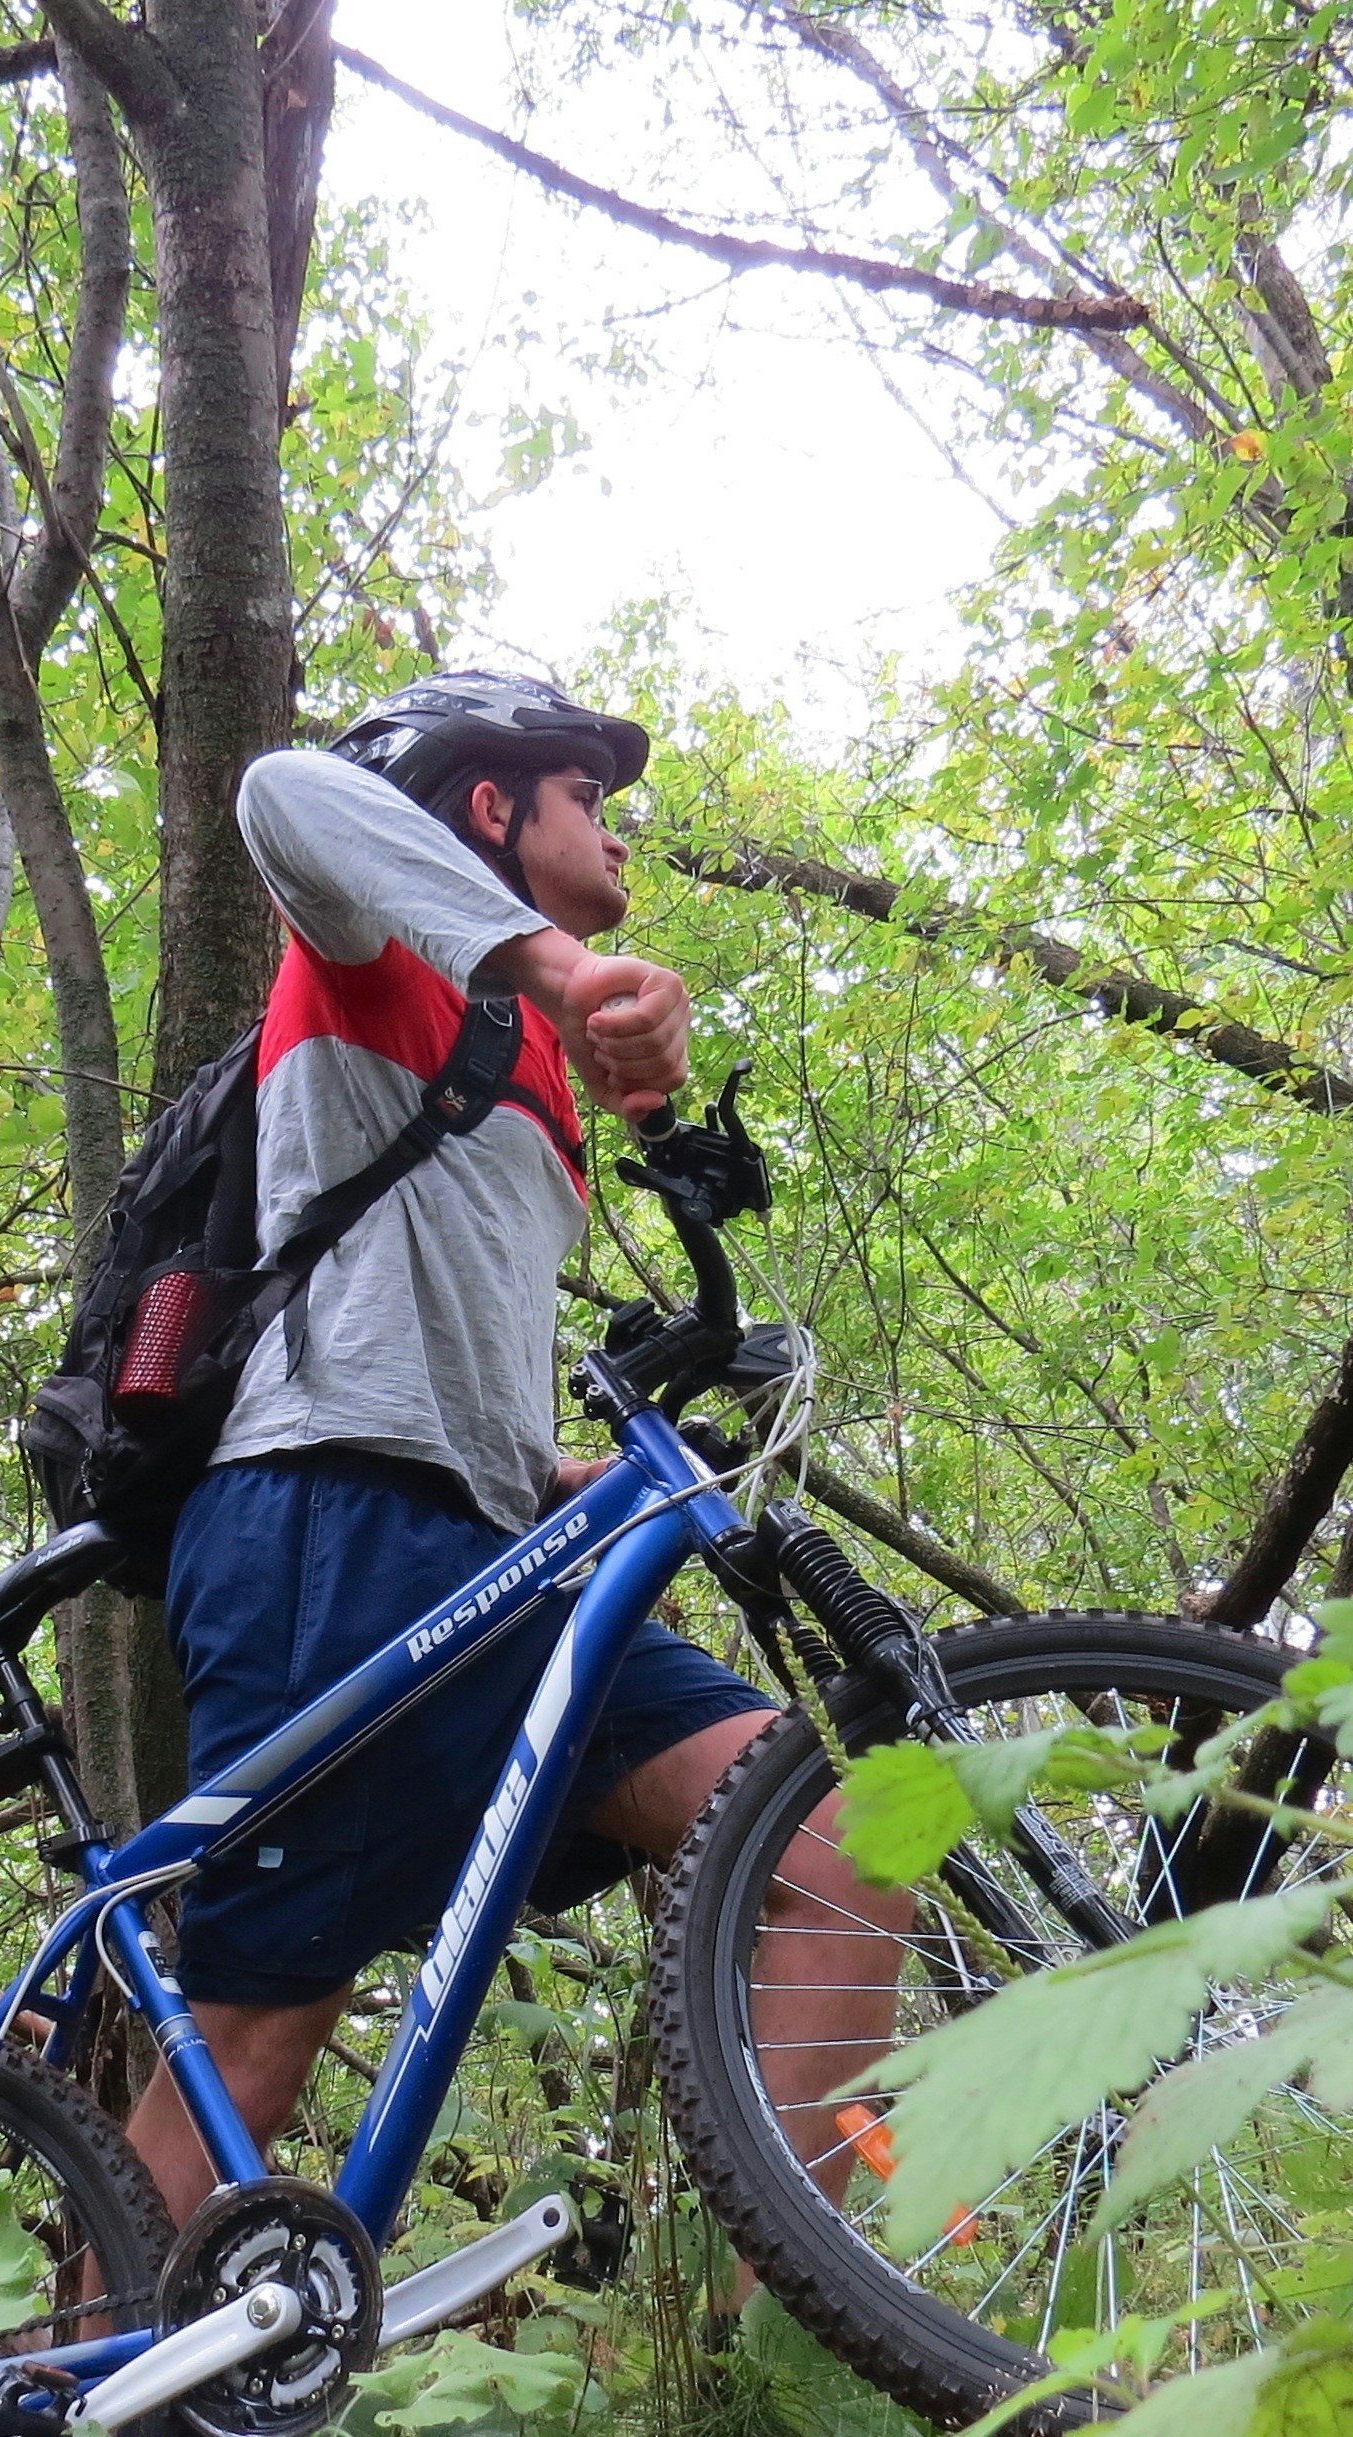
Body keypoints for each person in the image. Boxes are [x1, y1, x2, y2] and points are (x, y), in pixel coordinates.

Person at [119, 670, 907, 2235]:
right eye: (587, 805)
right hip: (320, 1519)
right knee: (259, 2037)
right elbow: (280, 786)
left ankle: (811, 2370)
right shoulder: (371, 958)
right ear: (492, 808)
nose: (616, 844)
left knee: (831, 1840)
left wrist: (569, 1475)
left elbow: (433, 1337)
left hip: (480, 1549)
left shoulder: (530, 1070)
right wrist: (557, 967)